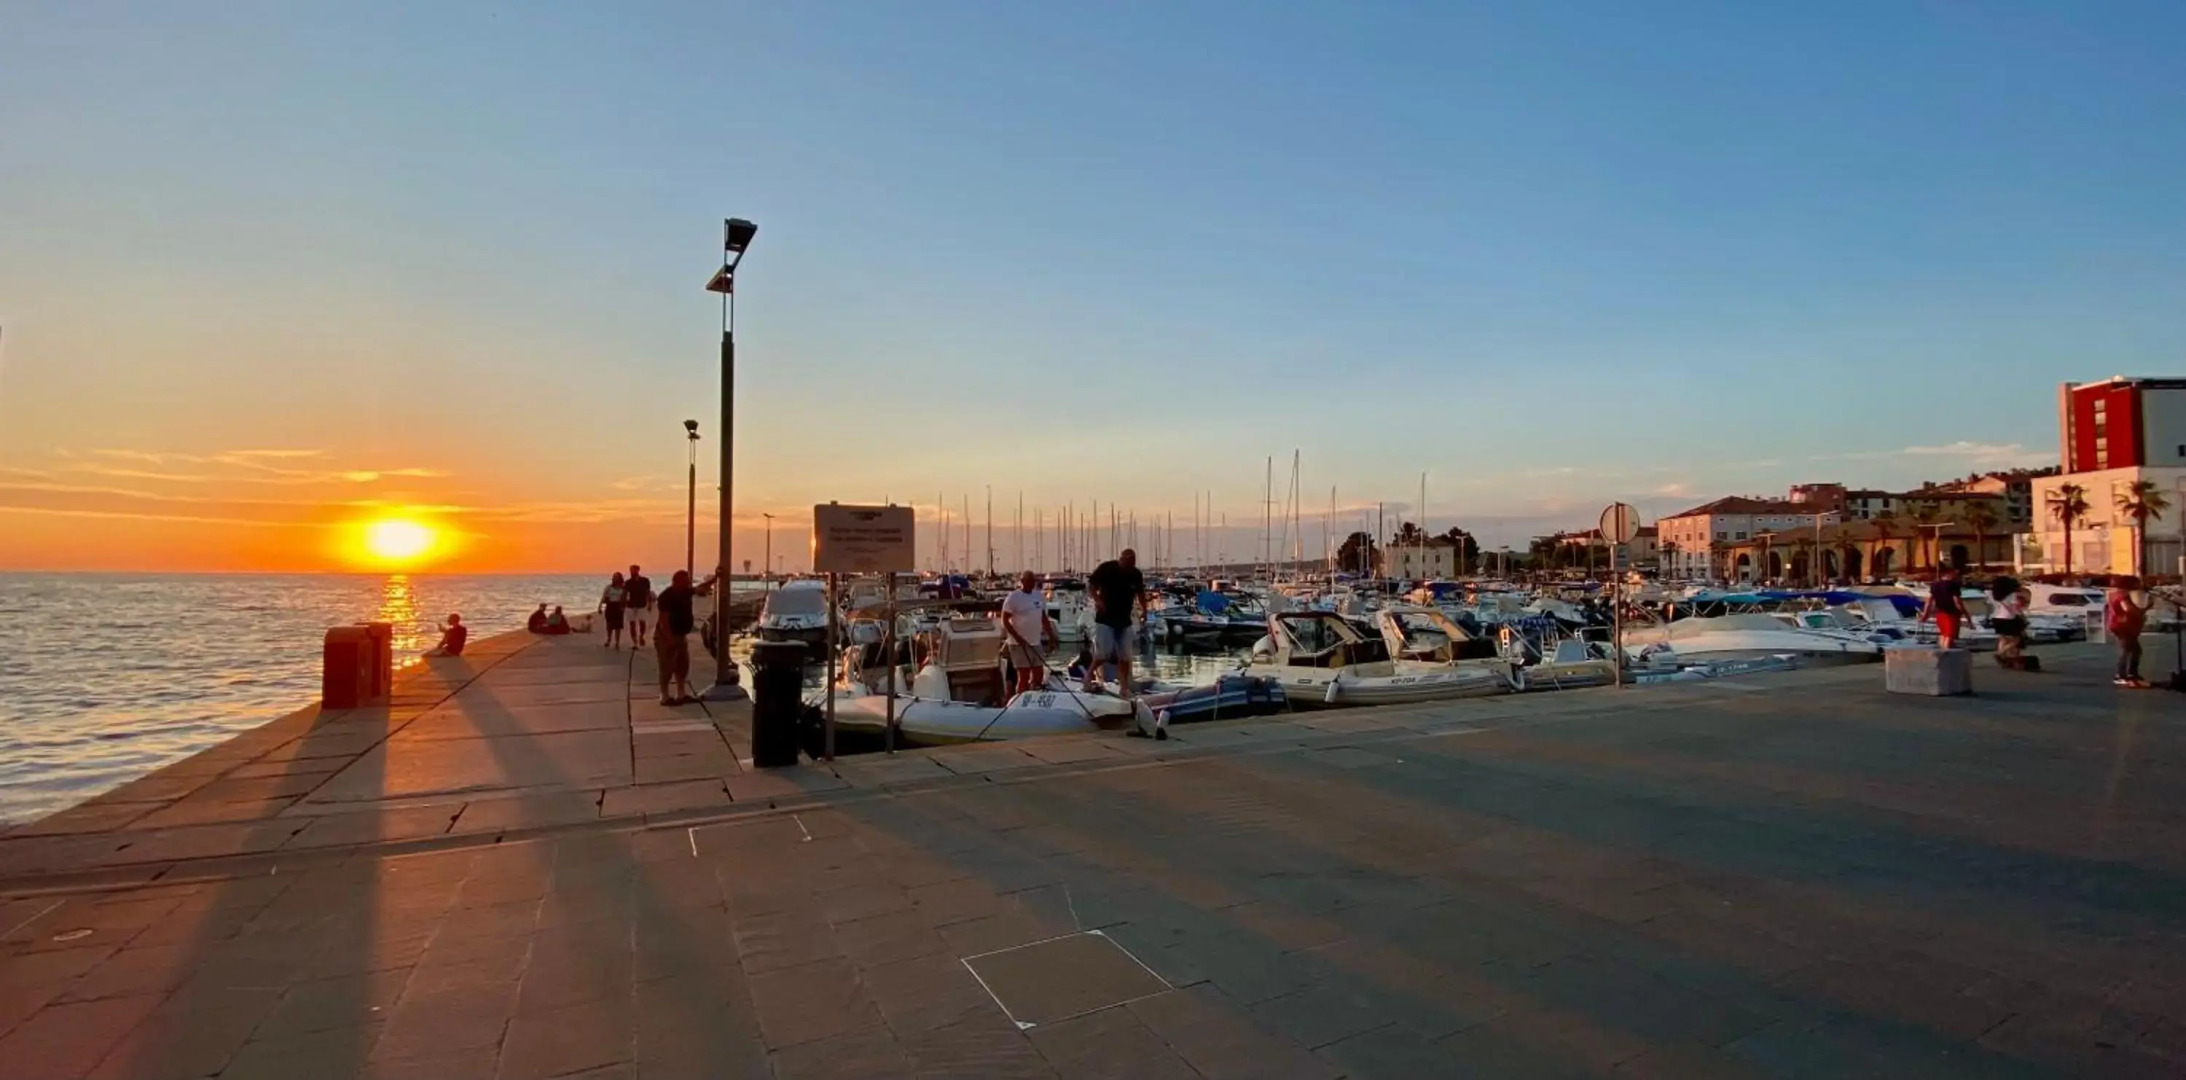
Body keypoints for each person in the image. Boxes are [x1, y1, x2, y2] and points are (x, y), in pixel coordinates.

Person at [1087, 548, 1152, 732]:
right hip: (1105, 619)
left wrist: (1144, 610)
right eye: (1126, 563)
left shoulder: (1135, 574)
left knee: (1125, 656)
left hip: (1124, 620)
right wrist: (1097, 600)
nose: (1128, 567)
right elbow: (1091, 585)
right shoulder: (1108, 569)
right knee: (1104, 653)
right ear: (1121, 560)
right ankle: (1088, 676)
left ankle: (1124, 687)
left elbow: (1140, 593)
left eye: (1131, 564)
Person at [999, 570, 1059, 695]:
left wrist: (1051, 636)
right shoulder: (1014, 597)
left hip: (1035, 642)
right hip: (1018, 644)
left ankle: (1033, 694)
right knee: (1024, 676)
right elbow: (1005, 620)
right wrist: (1017, 637)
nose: (1032, 584)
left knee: (1038, 673)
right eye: (1029, 581)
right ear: (1022, 581)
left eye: (1033, 581)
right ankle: (1020, 697)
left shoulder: (1039, 596)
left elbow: (1043, 618)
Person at [654, 569, 700, 705]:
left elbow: (701, 589)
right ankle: (664, 696)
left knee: (682, 666)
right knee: (667, 667)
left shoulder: (685, 592)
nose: (688, 584)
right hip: (666, 635)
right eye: (685, 582)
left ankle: (681, 694)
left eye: (688, 582)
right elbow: (663, 619)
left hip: (680, 635)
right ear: (676, 582)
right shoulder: (666, 596)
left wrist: (715, 578)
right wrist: (668, 638)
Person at [2107, 574, 2151, 688]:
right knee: (2127, 650)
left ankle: (2132, 674)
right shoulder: (2122, 596)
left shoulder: (2116, 595)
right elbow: (2128, 609)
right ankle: (2120, 675)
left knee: (2135, 650)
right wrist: (2141, 613)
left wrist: (2144, 609)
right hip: (2122, 626)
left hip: (2124, 626)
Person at [1917, 563, 1967, 650]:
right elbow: (1957, 601)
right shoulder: (1953, 585)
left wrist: (1925, 615)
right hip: (1951, 614)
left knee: (1943, 635)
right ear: (1950, 572)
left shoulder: (1935, 585)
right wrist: (1965, 613)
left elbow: (1929, 601)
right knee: (1949, 637)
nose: (1956, 574)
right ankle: (1947, 654)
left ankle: (1941, 653)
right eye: (1955, 572)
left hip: (1940, 614)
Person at [1990, 578, 2030, 670]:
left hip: (1996, 618)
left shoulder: (1994, 595)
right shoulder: (2011, 595)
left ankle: (2005, 659)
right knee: (2016, 640)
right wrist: (2022, 616)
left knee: (2003, 639)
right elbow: (2015, 609)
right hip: (2008, 618)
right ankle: (2001, 654)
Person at [625, 564, 654, 650]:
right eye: (631, 570)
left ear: (638, 570)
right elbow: (625, 594)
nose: (632, 571)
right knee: (632, 624)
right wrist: (623, 604)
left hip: (642, 604)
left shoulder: (645, 581)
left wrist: (649, 603)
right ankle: (635, 642)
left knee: (642, 622)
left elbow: (648, 592)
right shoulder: (628, 582)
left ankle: (641, 636)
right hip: (630, 605)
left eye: (633, 570)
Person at [599, 572, 628, 649]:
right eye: (614, 576)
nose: (615, 578)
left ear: (620, 578)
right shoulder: (608, 587)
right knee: (609, 625)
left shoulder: (623, 588)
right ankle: (609, 639)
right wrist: (600, 607)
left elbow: (626, 599)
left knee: (618, 626)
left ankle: (617, 642)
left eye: (617, 576)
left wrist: (624, 607)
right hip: (610, 606)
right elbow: (603, 597)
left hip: (619, 606)